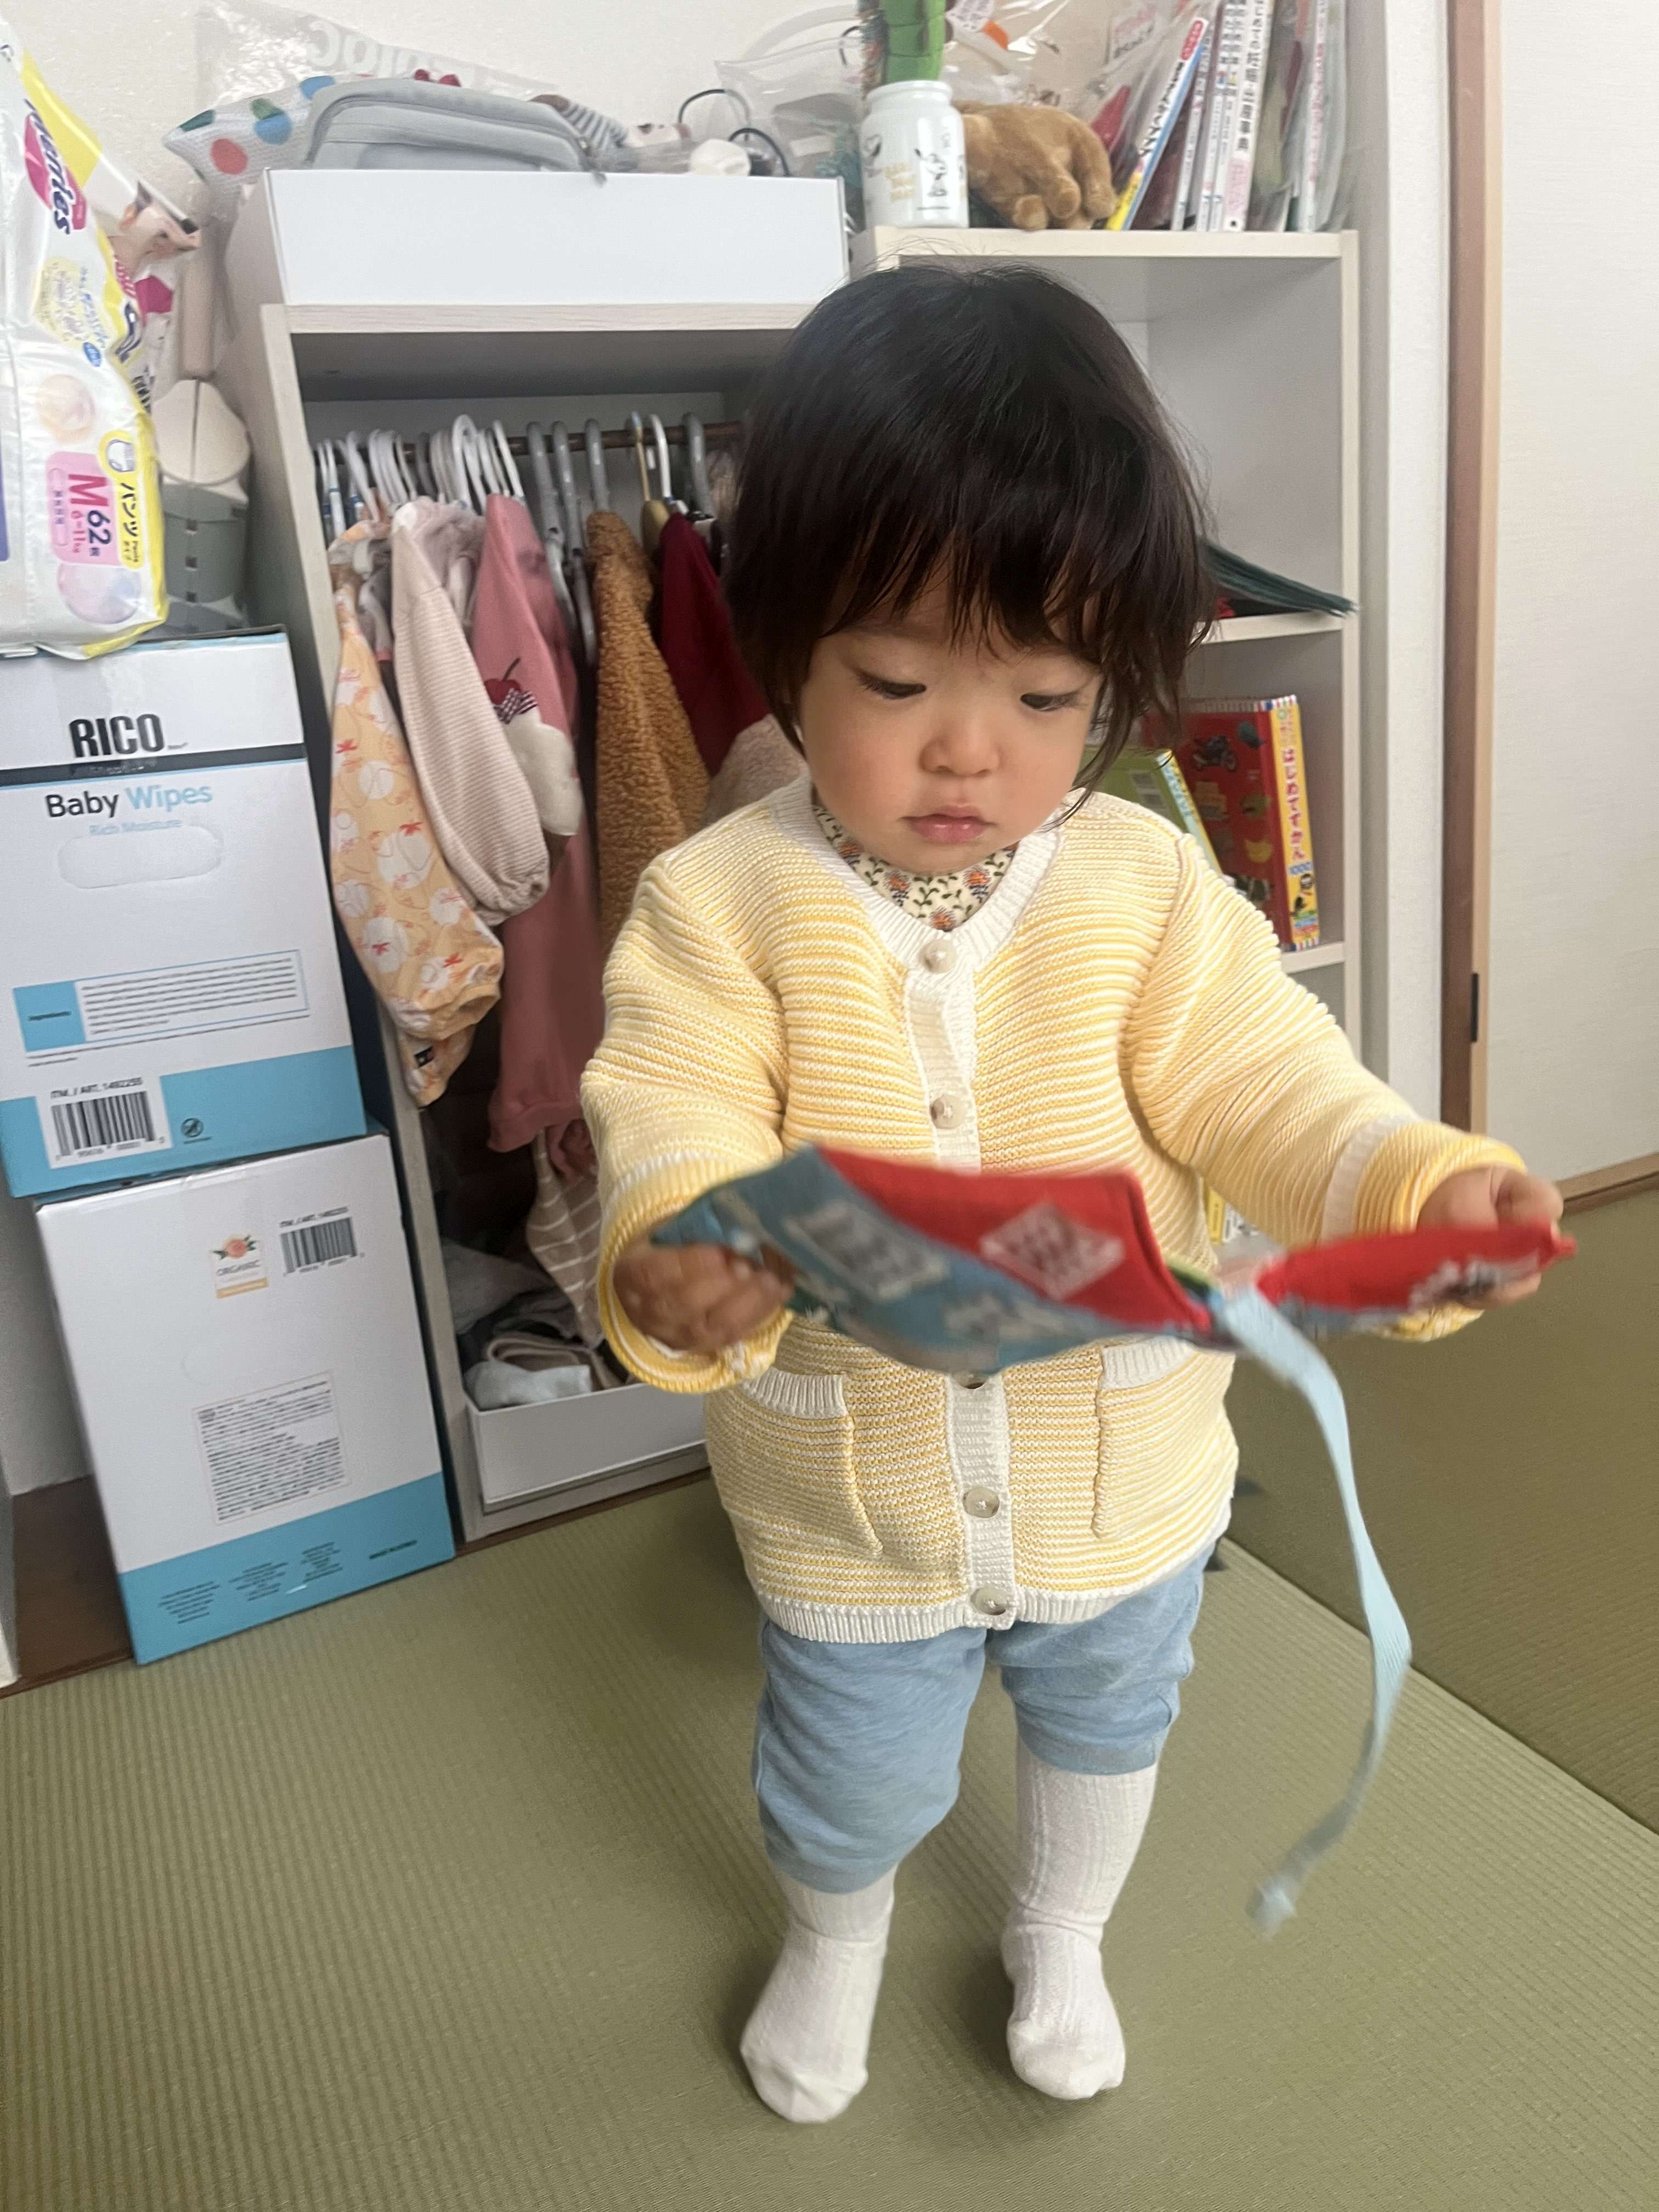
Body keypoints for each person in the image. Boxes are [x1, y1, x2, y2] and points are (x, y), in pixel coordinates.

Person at [580, 265, 1561, 2124]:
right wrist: (680, 1245)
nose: (973, 749)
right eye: (898, 683)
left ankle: (1061, 1930)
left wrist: (1418, 1186)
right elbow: (672, 1103)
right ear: (787, 652)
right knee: (849, 1777)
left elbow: (1272, 1089)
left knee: (1109, 1725)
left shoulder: (1146, 888)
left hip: (1123, 1477)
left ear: (1114, 679)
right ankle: (836, 1938)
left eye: (1044, 694)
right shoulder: (720, 903)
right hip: (857, 1508)